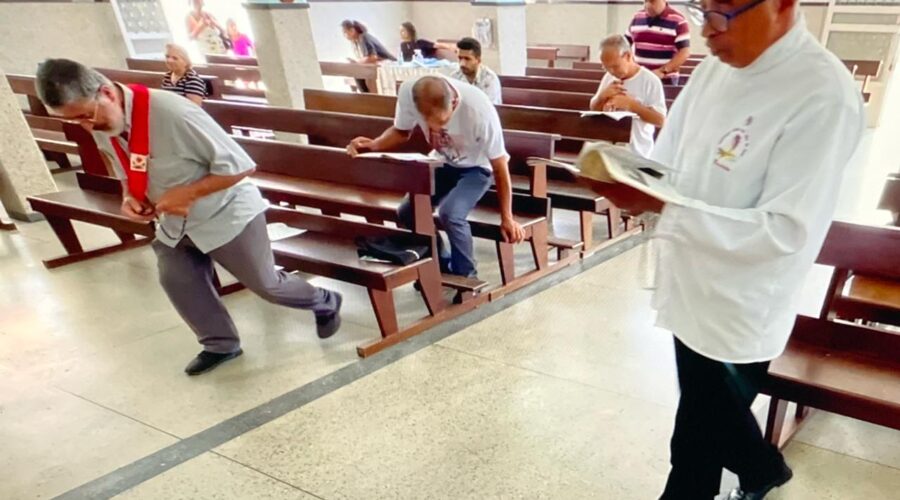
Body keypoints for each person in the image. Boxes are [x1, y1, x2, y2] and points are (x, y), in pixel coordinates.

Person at [580, 1, 865, 499]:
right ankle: (761, 470)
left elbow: (786, 231)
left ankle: (750, 473)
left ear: (782, 5)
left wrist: (666, 210)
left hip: (741, 302)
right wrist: (628, 180)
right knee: (706, 415)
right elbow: (671, 165)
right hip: (689, 283)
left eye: (722, 14)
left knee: (694, 442)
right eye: (701, 10)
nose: (705, 31)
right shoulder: (713, 69)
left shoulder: (823, 94)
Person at [35, 59, 344, 376]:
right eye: (75, 121)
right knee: (179, 281)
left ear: (107, 94)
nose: (86, 126)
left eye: (86, 116)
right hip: (174, 219)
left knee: (266, 285)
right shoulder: (104, 121)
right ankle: (220, 344)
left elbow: (241, 166)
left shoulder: (173, 112)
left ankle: (324, 300)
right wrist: (130, 195)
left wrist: (189, 193)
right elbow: (121, 162)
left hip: (225, 212)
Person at [346, 76, 525, 278]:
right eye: (429, 125)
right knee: (408, 211)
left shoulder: (479, 111)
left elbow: (500, 165)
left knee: (451, 213)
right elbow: (401, 132)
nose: (436, 131)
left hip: (478, 168)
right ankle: (438, 262)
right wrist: (374, 144)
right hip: (442, 161)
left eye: (442, 123)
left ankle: (466, 276)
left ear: (454, 103)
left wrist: (507, 218)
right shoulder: (409, 92)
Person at [589, 34, 666, 159]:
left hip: (638, 153)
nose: (611, 72)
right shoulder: (609, 77)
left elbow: (660, 121)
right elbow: (593, 110)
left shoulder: (650, 80)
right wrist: (602, 97)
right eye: (606, 67)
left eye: (615, 66)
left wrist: (631, 105)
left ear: (628, 56)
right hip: (609, 151)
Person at [625, 0, 691, 85]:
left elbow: (684, 52)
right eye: (645, 1)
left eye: (652, 1)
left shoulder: (678, 20)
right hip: (640, 77)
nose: (648, 5)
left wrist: (663, 70)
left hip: (665, 78)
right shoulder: (637, 17)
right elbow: (625, 44)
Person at [341, 19, 396, 93]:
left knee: (356, 71)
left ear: (352, 31)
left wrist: (356, 63)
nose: (344, 35)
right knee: (356, 71)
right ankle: (365, 96)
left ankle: (366, 97)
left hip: (388, 64)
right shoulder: (356, 42)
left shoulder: (364, 37)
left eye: (345, 32)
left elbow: (373, 57)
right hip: (377, 64)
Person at [449, 37, 502, 105]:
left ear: (478, 60)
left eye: (467, 59)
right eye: (460, 58)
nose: (462, 64)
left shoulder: (489, 79)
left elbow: (489, 108)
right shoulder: (454, 77)